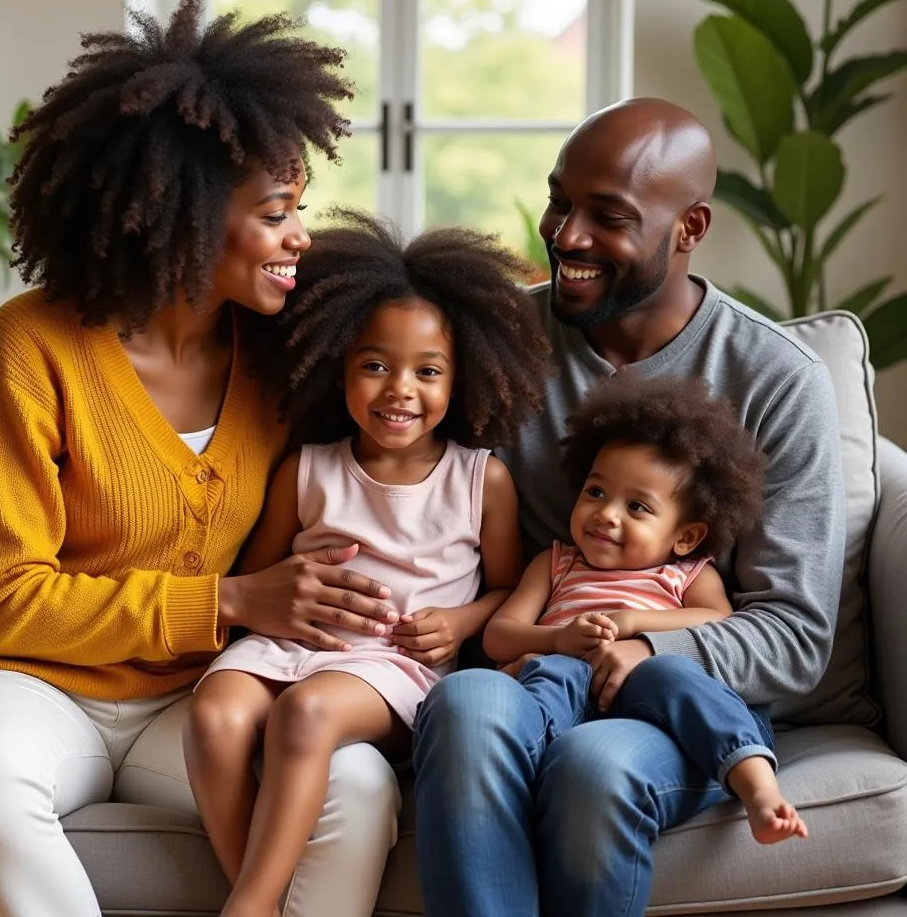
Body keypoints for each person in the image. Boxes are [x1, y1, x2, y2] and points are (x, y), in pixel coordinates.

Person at [0, 0, 410, 917]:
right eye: (276, 212)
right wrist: (226, 599)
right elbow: (6, 600)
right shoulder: (35, 342)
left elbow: (423, 364)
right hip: (21, 683)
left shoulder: (282, 351)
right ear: (180, 218)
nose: (302, 234)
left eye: (300, 208)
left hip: (195, 700)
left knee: (360, 788)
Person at [413, 96, 845, 917]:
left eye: (607, 217)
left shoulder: (776, 379)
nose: (565, 235)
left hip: (671, 702)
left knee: (596, 767)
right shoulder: (503, 343)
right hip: (530, 673)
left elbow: (794, 634)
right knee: (463, 704)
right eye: (559, 202)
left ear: (689, 228)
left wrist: (644, 646)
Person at [184, 211, 551, 917]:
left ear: (461, 378)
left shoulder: (481, 481)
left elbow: (506, 585)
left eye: (428, 371)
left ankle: (249, 907)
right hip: (290, 645)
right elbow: (257, 580)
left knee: (306, 713)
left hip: (390, 666)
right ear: (337, 366)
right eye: (375, 365)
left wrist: (462, 619)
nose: (399, 390)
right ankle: (253, 894)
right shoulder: (308, 469)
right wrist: (293, 558)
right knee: (216, 716)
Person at [484, 372, 807, 845]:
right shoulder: (555, 563)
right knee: (545, 673)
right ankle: (522, 778)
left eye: (638, 507)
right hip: (570, 682)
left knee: (673, 675)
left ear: (686, 536)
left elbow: (718, 620)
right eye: (596, 492)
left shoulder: (686, 574)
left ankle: (757, 786)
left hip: (646, 696)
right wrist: (556, 639)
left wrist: (638, 626)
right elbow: (498, 635)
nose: (607, 514)